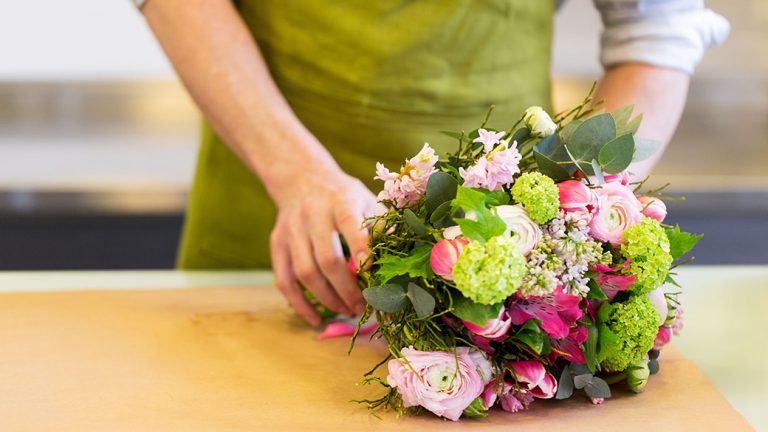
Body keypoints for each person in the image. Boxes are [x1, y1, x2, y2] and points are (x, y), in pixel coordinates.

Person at [136, 0, 728, 326]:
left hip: (507, 250)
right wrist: (294, 171)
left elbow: (656, 27)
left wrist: (578, 207)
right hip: (271, 220)